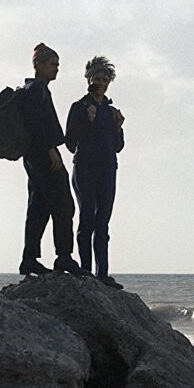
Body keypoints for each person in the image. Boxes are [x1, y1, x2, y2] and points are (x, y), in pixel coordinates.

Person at [19, 43, 87, 277]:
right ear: (38, 65)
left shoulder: (33, 89)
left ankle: (29, 259)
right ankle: (64, 257)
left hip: (32, 156)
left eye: (57, 64)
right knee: (64, 205)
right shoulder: (37, 90)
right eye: (52, 64)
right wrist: (51, 150)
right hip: (43, 155)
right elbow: (36, 125)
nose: (56, 68)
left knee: (38, 207)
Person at [65, 55, 125, 289]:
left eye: (105, 79)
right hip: (85, 168)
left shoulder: (111, 111)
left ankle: (103, 274)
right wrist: (87, 120)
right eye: (97, 78)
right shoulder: (79, 107)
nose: (101, 83)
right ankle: (85, 271)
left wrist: (118, 128)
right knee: (87, 218)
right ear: (88, 79)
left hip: (108, 169)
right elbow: (70, 143)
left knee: (103, 222)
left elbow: (118, 147)